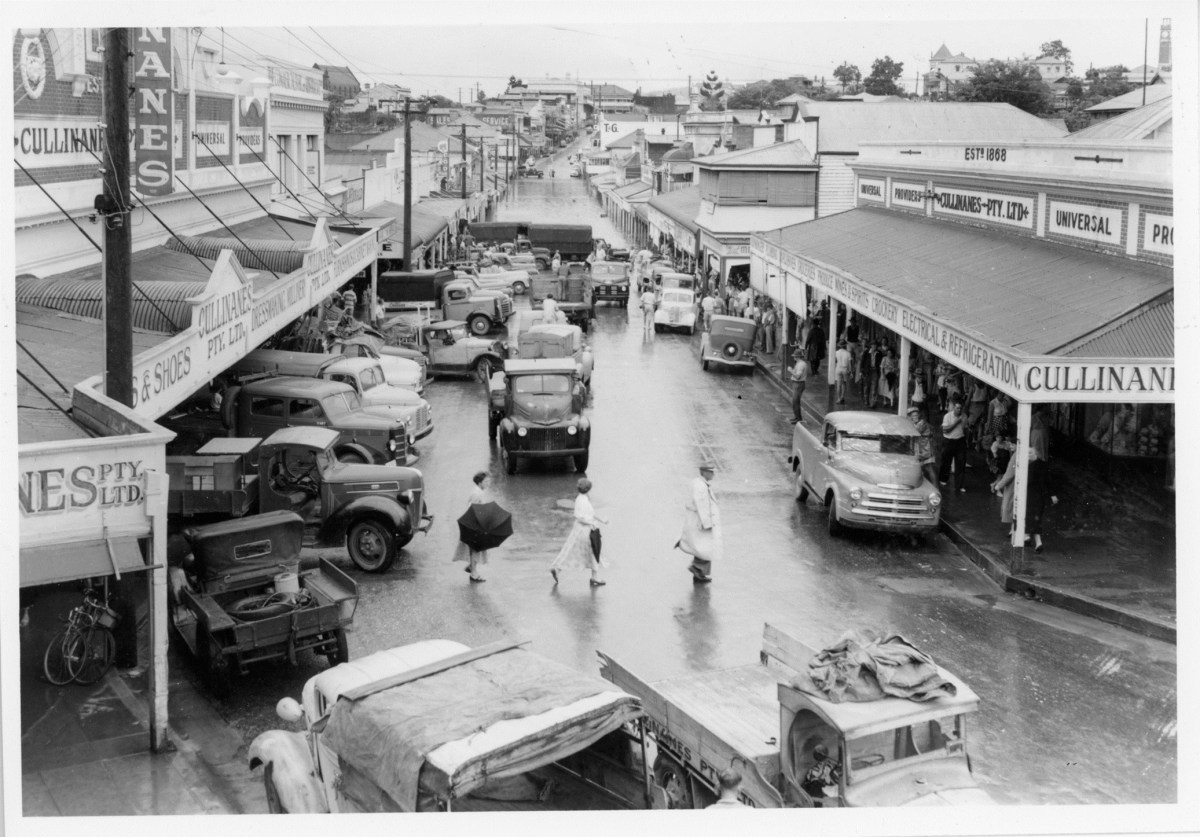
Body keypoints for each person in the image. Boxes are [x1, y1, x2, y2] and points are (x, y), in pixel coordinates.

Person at [550, 478, 608, 586]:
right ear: (588, 489)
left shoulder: (581, 498)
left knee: (571, 550)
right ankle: (594, 578)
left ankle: (557, 569)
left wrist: (601, 520)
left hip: (579, 530)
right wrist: (592, 523)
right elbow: (580, 517)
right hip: (586, 531)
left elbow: (590, 513)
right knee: (594, 552)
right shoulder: (583, 500)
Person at [675, 462, 722, 583]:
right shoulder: (700, 486)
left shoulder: (700, 484)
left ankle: (699, 571)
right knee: (705, 546)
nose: (713, 474)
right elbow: (702, 506)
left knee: (702, 546)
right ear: (704, 472)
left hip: (699, 520)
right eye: (711, 472)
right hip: (700, 521)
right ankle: (697, 568)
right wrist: (707, 523)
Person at [453, 472, 493, 583]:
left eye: (489, 481)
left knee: (475, 548)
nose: (488, 483)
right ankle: (474, 573)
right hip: (475, 525)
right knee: (476, 549)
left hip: (474, 524)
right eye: (486, 481)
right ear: (480, 482)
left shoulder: (478, 491)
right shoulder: (477, 494)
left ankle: (471, 567)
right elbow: (473, 510)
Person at [1026, 448, 1058, 553]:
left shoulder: (1029, 466)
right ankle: (1030, 538)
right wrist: (1052, 494)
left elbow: (1047, 480)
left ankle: (1035, 541)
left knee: (1032, 517)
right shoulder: (1042, 465)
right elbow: (1048, 480)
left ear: (1036, 453)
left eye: (1030, 452)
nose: (1028, 454)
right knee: (1035, 517)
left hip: (1032, 495)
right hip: (1037, 496)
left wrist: (1052, 494)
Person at [938, 395, 968, 493]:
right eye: (957, 408)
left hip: (960, 440)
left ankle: (960, 485)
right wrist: (956, 422)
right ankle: (943, 479)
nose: (959, 410)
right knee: (946, 462)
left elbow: (965, 428)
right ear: (954, 408)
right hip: (948, 441)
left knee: (961, 463)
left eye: (960, 408)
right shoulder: (947, 416)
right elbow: (945, 430)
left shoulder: (964, 416)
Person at [909, 406, 937, 486]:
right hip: (921, 449)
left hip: (926, 448)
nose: (915, 417)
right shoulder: (916, 423)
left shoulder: (922, 423)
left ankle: (936, 488)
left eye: (916, 415)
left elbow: (914, 432)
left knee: (929, 468)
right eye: (913, 416)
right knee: (921, 469)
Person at [789, 353, 810, 424]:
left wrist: (791, 371)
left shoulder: (801, 365)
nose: (793, 357)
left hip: (798, 384)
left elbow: (798, 376)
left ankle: (798, 418)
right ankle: (796, 417)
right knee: (795, 402)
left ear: (797, 356)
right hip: (797, 384)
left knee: (795, 402)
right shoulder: (799, 363)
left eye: (794, 356)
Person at [833, 340, 852, 404]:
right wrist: (851, 371)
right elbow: (850, 364)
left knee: (838, 384)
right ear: (845, 346)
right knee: (844, 383)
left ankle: (838, 398)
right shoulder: (848, 353)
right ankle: (842, 397)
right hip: (845, 369)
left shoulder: (836, 352)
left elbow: (835, 361)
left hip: (838, 368)